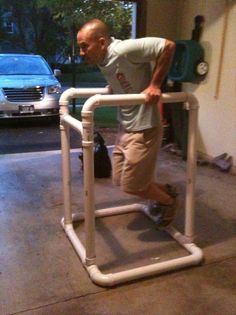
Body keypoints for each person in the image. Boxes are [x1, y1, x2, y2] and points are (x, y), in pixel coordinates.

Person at [77, 19, 177, 227]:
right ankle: (166, 191)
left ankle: (169, 202)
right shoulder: (103, 61)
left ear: (102, 42)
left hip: (144, 127)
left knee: (132, 186)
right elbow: (122, 74)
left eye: (84, 46)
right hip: (125, 127)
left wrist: (155, 84)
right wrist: (115, 86)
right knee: (119, 179)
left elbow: (168, 46)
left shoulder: (123, 49)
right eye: (80, 47)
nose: (81, 52)